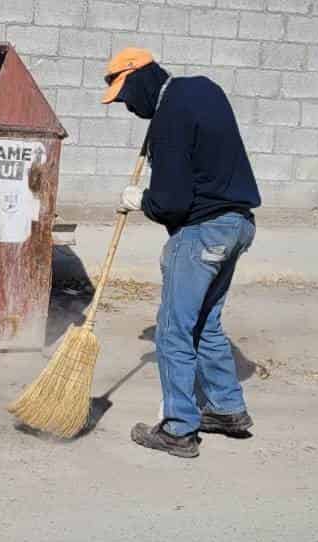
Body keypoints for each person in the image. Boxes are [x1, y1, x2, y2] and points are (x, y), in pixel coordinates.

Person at [101, 47, 261, 461]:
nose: (128, 107)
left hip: (201, 232)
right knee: (206, 324)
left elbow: (171, 202)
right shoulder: (203, 90)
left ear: (139, 77)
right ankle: (226, 408)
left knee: (173, 330)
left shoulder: (168, 115)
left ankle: (178, 429)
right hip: (237, 224)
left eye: (124, 95)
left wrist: (143, 200)